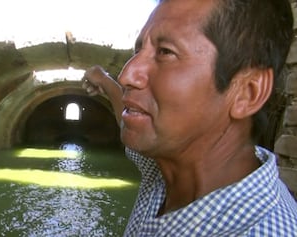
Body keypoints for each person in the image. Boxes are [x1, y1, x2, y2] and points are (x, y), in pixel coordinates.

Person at [82, 0, 297, 236]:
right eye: (138, 49)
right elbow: (127, 117)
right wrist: (102, 78)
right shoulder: (170, 166)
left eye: (165, 52)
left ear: (247, 92)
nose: (126, 75)